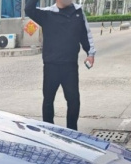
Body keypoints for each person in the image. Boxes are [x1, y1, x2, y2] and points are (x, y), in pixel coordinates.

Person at [25, 0, 96, 131]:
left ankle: (72, 131)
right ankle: (49, 130)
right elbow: (29, 9)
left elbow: (85, 34)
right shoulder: (47, 14)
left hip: (70, 66)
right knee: (48, 101)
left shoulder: (78, 12)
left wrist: (90, 53)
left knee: (74, 101)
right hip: (51, 66)